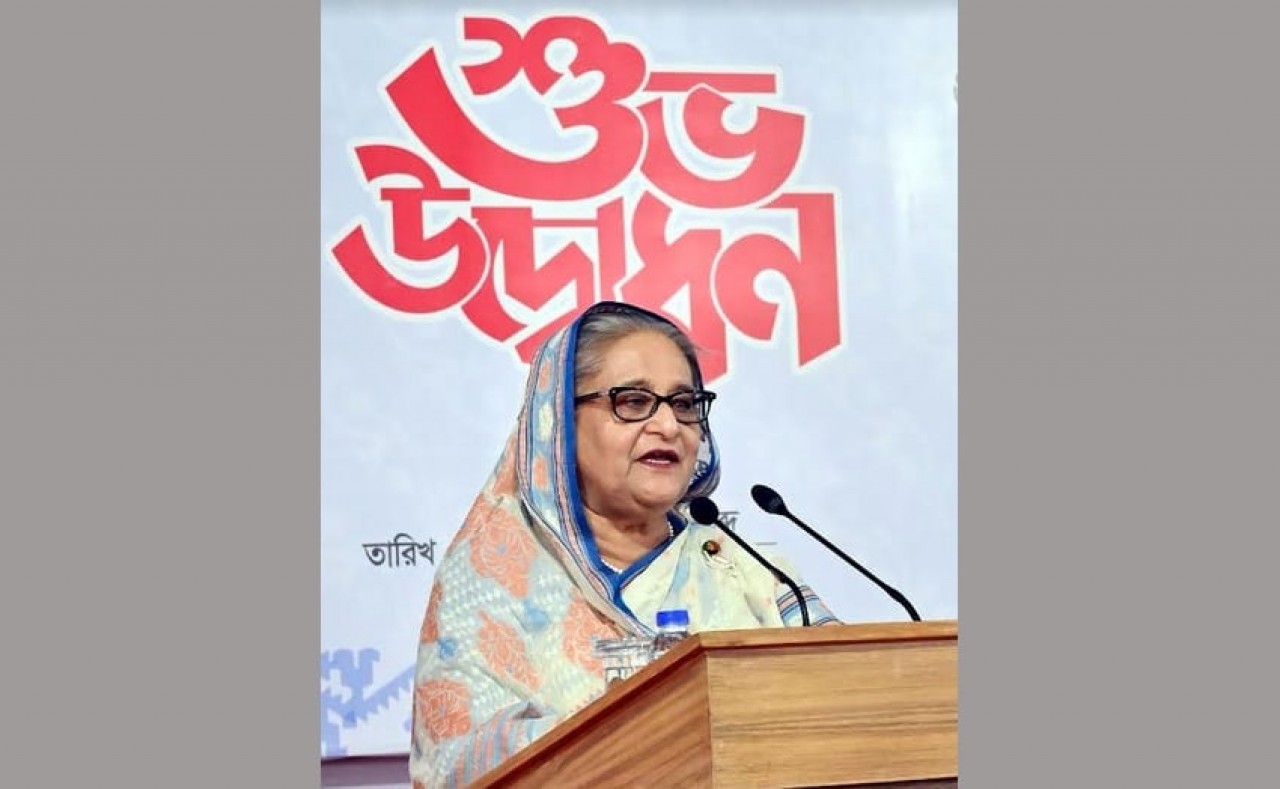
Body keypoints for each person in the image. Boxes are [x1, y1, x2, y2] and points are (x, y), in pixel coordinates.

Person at [409, 301, 838, 788]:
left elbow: (849, 696)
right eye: (633, 402)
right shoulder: (490, 582)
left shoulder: (743, 567)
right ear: (560, 423)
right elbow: (459, 767)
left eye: (684, 404)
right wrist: (650, 737)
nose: (669, 426)